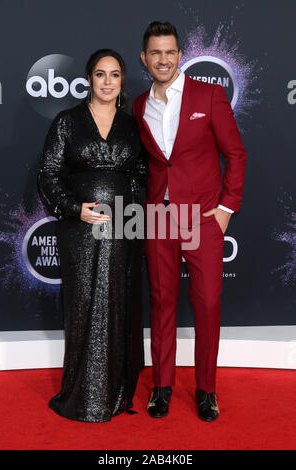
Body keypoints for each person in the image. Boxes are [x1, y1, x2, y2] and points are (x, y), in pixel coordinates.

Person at [133, 22, 246, 421]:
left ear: (179, 55)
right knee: (162, 302)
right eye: (155, 53)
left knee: (208, 305)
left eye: (170, 52)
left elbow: (235, 154)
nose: (163, 59)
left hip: (202, 217)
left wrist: (226, 209)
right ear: (145, 59)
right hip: (160, 217)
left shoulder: (210, 95)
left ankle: (206, 390)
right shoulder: (139, 104)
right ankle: (162, 387)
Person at [37, 49, 147, 422]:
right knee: (85, 306)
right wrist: (73, 208)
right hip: (79, 232)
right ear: (89, 79)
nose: (107, 82)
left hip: (123, 231)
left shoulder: (132, 125)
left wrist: (131, 213)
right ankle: (82, 394)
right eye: (100, 74)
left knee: (118, 303)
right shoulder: (67, 122)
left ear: (122, 81)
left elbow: (142, 174)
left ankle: (117, 390)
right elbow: (48, 174)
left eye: (114, 75)